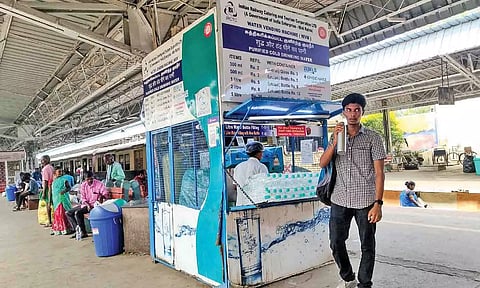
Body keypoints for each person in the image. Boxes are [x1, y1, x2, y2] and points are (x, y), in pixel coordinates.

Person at [319, 93, 386, 288]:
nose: (353, 114)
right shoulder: (337, 136)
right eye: (349, 110)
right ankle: (348, 277)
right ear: (343, 112)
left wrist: (378, 204)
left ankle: (365, 283)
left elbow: (379, 173)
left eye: (357, 110)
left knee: (367, 245)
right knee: (336, 242)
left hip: (365, 200)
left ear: (362, 112)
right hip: (339, 199)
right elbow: (323, 163)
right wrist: (335, 140)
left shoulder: (373, 138)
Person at [66, 171, 108, 238]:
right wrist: (87, 204)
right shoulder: (83, 185)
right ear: (85, 179)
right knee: (68, 213)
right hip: (86, 205)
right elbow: (83, 198)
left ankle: (83, 232)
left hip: (95, 206)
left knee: (78, 213)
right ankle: (78, 229)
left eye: (91, 179)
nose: (89, 181)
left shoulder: (99, 184)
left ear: (93, 177)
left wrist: (101, 197)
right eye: (87, 179)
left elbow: (105, 193)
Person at [233, 141, 268, 206]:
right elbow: (265, 186)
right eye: (261, 152)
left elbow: (235, 186)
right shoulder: (261, 167)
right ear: (259, 153)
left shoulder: (238, 167)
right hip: (256, 204)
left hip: (240, 204)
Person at [51, 167, 72, 235]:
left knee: (63, 213)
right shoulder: (53, 182)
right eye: (59, 171)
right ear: (55, 173)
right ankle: (58, 229)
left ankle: (66, 228)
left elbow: (69, 187)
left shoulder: (64, 180)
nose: (61, 173)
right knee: (57, 214)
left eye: (61, 171)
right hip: (56, 200)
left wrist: (64, 191)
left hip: (63, 199)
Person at [41, 155, 55, 227]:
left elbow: (45, 181)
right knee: (54, 204)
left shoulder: (45, 169)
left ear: (46, 160)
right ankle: (56, 220)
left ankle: (50, 221)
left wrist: (43, 192)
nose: (41, 162)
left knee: (48, 205)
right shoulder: (52, 167)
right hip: (54, 187)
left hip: (48, 188)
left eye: (42, 160)